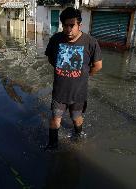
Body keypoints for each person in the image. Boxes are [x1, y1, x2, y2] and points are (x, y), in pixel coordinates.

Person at [45, 7, 102, 149]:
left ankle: (78, 137)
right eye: (65, 25)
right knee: (55, 118)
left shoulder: (90, 42)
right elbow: (51, 58)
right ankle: (52, 146)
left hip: (78, 93)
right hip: (59, 91)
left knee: (76, 118)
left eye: (72, 25)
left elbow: (98, 65)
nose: (69, 29)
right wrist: (62, 70)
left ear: (79, 25)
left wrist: (84, 75)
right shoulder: (56, 39)